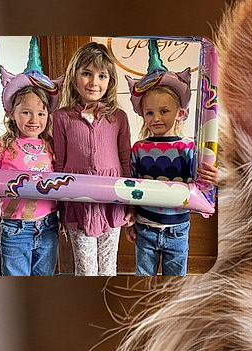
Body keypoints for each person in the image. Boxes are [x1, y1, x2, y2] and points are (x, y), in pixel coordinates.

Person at [125, 40, 217, 276]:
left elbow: (201, 186)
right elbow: (132, 185)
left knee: (175, 282)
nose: (156, 118)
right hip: (145, 228)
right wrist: (132, 215)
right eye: (149, 112)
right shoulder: (138, 149)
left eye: (164, 111)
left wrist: (216, 179)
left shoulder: (189, 148)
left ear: (181, 113)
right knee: (142, 279)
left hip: (177, 230)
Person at [52, 42, 131, 275]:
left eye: (101, 75)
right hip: (77, 204)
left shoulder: (119, 117)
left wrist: (130, 204)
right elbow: (59, 164)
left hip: (113, 203)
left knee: (108, 268)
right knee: (85, 269)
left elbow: (126, 161)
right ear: (74, 76)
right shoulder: (61, 117)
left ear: (110, 81)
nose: (94, 82)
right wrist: (59, 207)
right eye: (86, 73)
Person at [0, 38, 59, 276]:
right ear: (12, 114)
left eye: (40, 113)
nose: (33, 119)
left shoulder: (51, 146)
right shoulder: (1, 145)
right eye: (26, 112)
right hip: (15, 227)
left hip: (48, 224)